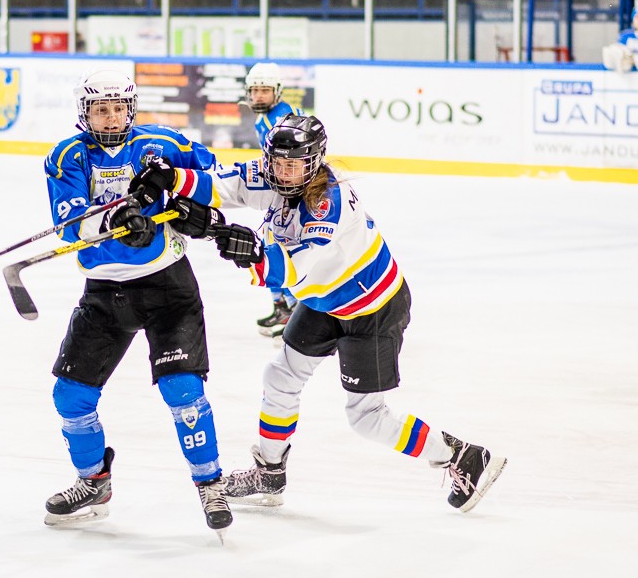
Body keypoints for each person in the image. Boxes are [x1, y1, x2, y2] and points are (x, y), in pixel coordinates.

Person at [135, 113, 507, 513]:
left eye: (293, 164)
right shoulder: (276, 175)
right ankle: (269, 473)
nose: (283, 171)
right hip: (324, 301)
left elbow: (292, 270)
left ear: (314, 162)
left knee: (367, 417)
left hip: (372, 308)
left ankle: (461, 455)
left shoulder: (327, 205)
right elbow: (227, 185)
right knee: (280, 378)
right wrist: (172, 179)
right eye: (277, 161)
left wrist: (224, 235)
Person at [41, 68, 233, 536]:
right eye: (100, 109)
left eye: (118, 107)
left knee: (182, 390)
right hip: (105, 291)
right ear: (84, 112)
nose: (110, 117)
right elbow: (70, 224)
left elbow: (215, 176)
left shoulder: (161, 142)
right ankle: (93, 482)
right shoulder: (67, 156)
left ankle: (210, 483)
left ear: (131, 109)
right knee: (71, 396)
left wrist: (190, 204)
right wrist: (115, 221)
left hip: (168, 288)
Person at [244, 62, 304, 340]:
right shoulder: (266, 117)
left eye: (264, 90)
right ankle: (283, 308)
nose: (258, 95)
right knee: (272, 245)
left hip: (292, 195)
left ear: (277, 91)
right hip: (281, 193)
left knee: (282, 249)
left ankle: (295, 313)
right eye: (255, 90)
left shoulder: (279, 120)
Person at [602, 6, 638, 73]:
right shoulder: (626, 36)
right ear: (633, 20)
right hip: (628, 76)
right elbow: (618, 54)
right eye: (637, 17)